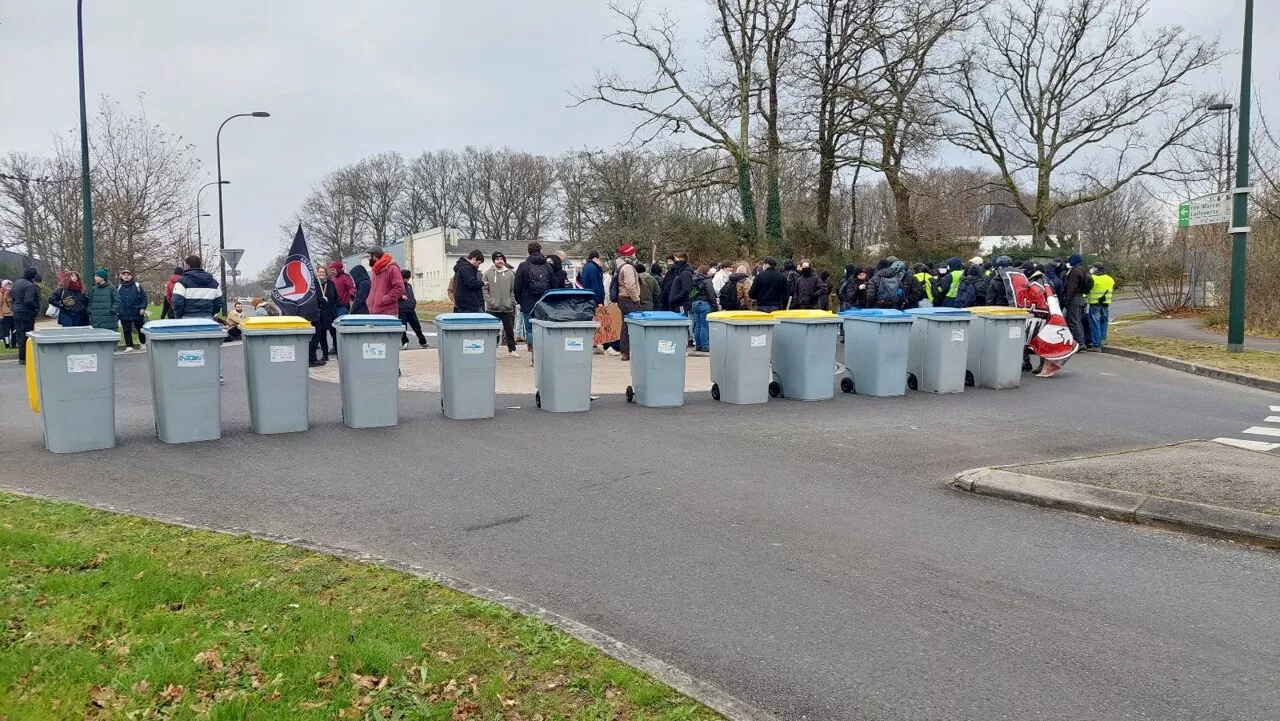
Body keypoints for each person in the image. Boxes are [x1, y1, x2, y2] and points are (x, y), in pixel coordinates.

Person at [514, 241, 554, 355]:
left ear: (528, 251)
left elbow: (517, 286)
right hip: (544, 303)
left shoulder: (523, 266)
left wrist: (519, 300)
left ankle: (535, 355)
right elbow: (553, 285)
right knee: (543, 328)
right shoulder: (548, 266)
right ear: (540, 250)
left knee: (530, 329)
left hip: (527, 302)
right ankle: (544, 353)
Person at [483, 252, 518, 356]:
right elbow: (484, 289)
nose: (500, 261)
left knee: (509, 330)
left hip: (507, 307)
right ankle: (492, 350)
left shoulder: (510, 274)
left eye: (502, 259)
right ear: (494, 260)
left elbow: (513, 289)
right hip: (492, 308)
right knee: (492, 331)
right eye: (497, 259)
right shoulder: (487, 273)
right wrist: (490, 301)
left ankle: (512, 349)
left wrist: (512, 302)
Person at [172, 255, 222, 320]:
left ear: (188, 265)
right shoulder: (213, 282)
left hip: (187, 317)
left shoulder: (182, 281)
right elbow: (220, 301)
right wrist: (211, 312)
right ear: (199, 265)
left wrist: (179, 315)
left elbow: (177, 301)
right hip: (207, 318)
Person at [1062, 253, 1091, 348]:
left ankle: (1080, 343)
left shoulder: (1074, 272)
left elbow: (1071, 287)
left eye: (1070, 259)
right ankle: (1082, 341)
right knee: (1078, 320)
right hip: (1081, 298)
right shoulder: (1083, 270)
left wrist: (1067, 299)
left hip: (1075, 299)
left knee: (1073, 321)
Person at [11, 268, 40, 365]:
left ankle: (21, 357)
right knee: (27, 334)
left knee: (20, 334)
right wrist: (36, 308)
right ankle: (27, 356)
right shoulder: (30, 286)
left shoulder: (17, 283)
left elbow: (13, 297)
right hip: (26, 312)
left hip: (17, 310)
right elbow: (29, 300)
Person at [308, 265, 336, 366]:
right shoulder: (314, 284)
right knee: (321, 334)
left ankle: (336, 351)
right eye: (320, 272)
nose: (321, 274)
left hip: (330, 312)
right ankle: (325, 354)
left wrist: (333, 304)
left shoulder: (331, 283)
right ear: (317, 273)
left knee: (334, 333)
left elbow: (336, 296)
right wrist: (321, 300)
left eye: (323, 272)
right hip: (320, 312)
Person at [366, 246, 405, 316]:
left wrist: (385, 299)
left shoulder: (392, 268)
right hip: (374, 311)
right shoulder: (376, 270)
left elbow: (400, 288)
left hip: (387, 313)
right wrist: (369, 300)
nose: (368, 259)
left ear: (374, 256)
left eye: (369, 256)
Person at [689, 264, 718, 354]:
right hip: (704, 303)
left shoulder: (694, 279)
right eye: (709, 271)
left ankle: (698, 345)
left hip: (695, 303)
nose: (710, 272)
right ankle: (705, 346)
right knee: (705, 326)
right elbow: (710, 294)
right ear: (705, 272)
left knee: (698, 325)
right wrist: (715, 305)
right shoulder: (707, 281)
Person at [116, 269, 148, 351]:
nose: (126, 276)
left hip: (136, 311)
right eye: (124, 275)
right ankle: (129, 346)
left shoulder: (137, 286)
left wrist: (142, 307)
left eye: (128, 275)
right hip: (124, 312)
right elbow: (116, 300)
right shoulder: (118, 287)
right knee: (126, 330)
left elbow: (143, 298)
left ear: (131, 276)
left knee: (140, 329)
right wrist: (118, 310)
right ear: (121, 277)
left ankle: (143, 343)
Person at [1087, 262, 1114, 351]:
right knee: (1104, 322)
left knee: (1095, 324)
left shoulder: (1092, 278)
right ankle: (1102, 340)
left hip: (1095, 304)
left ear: (1096, 269)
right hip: (1106, 304)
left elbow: (1087, 290)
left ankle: (1097, 345)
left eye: (1093, 268)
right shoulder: (1110, 279)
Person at [86, 268, 120, 333]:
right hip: (96, 319)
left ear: (102, 278)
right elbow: (91, 302)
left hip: (109, 319)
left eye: (97, 276)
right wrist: (90, 311)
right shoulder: (94, 289)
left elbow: (117, 301)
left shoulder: (112, 288)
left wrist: (113, 310)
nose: (95, 278)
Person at [451, 249, 485, 314]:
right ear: (474, 259)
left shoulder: (462, 267)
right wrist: (482, 283)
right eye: (479, 263)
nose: (478, 265)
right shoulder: (466, 268)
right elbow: (471, 283)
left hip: (463, 303)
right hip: (469, 304)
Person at [0, 279, 12, 349]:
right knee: (6, 331)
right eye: (6, 285)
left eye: (10, 285)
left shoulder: (12, 293)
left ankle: (14, 344)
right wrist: (1, 314)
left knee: (13, 330)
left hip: (12, 314)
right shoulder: (1, 294)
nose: (8, 287)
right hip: (5, 315)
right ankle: (7, 345)